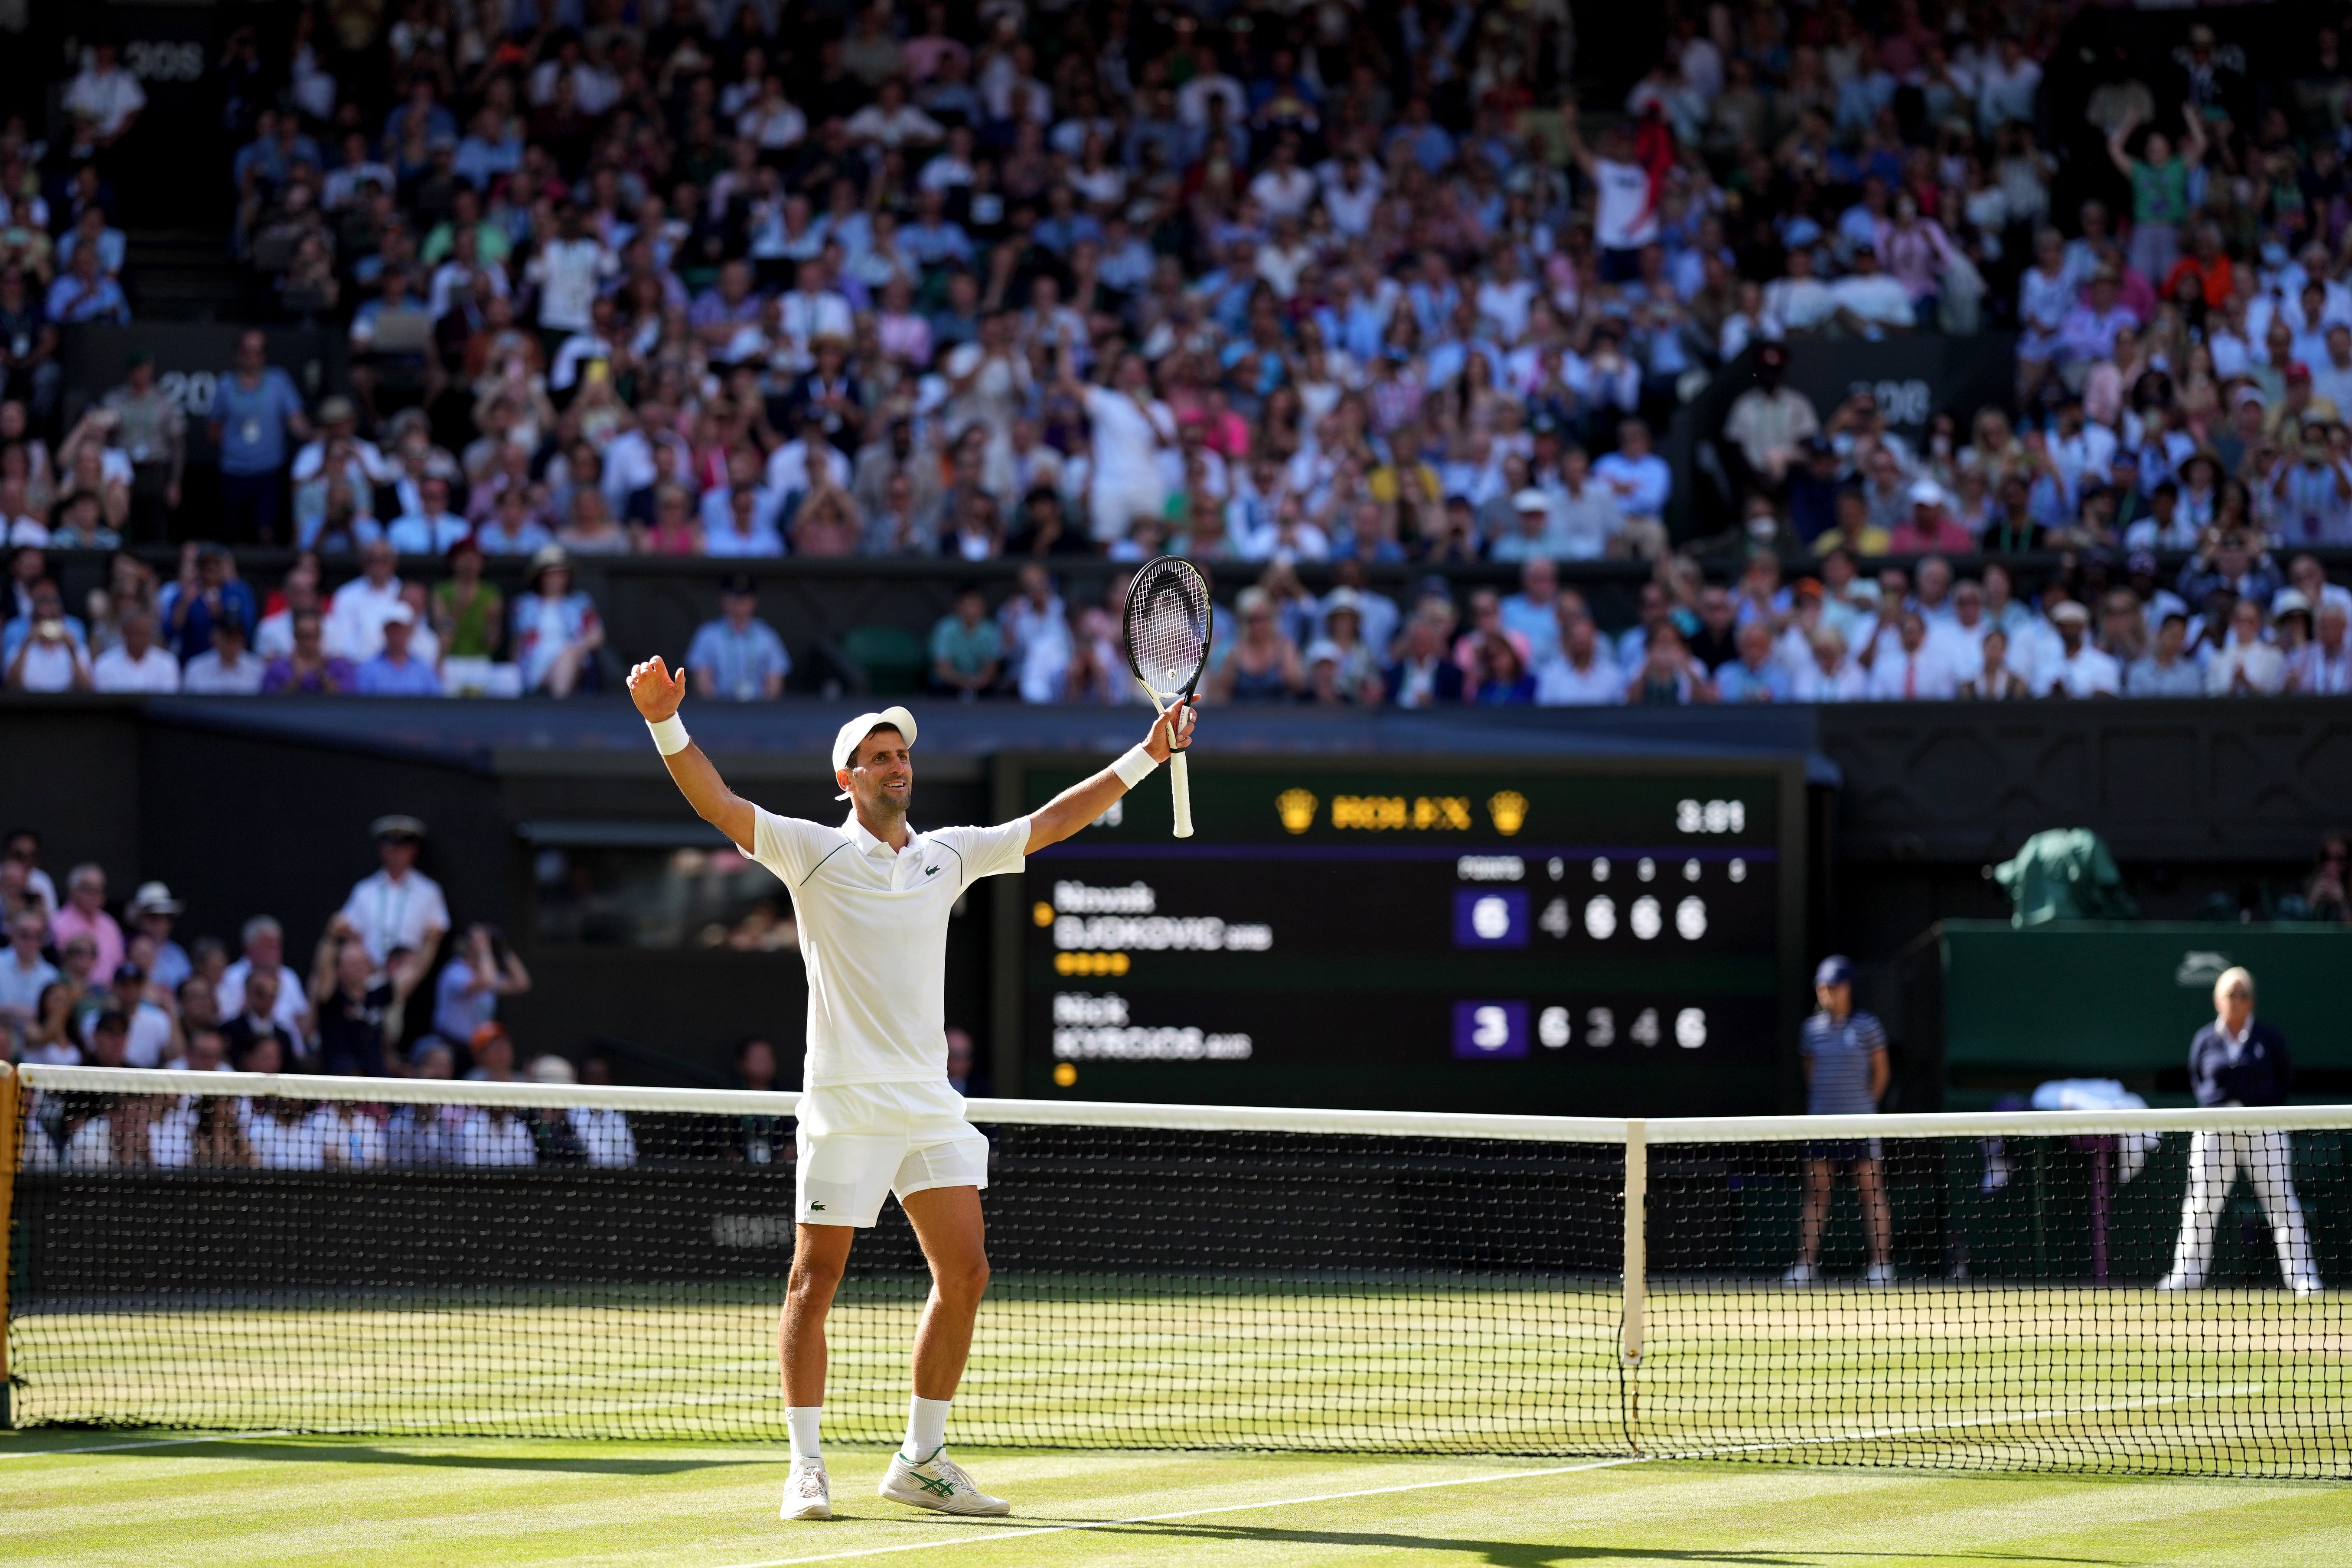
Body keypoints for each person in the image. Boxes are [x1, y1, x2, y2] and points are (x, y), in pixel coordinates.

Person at [623, 659, 1198, 1523]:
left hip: (927, 1101)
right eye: (878, 755)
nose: (897, 765)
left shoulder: (948, 854)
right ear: (846, 777)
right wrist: (666, 721)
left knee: (965, 1270)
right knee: (813, 1282)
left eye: (902, 753)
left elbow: (1047, 823)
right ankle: (807, 1466)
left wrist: (1146, 756)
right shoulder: (810, 850)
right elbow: (717, 803)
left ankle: (920, 1458)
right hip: (846, 1100)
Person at [2156, 967, 2321, 1296]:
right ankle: (2185, 1275)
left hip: (2263, 1127)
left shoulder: (2268, 1037)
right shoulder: (2204, 1039)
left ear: (2251, 1000)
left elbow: (2284, 1076)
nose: (2237, 1000)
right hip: (2215, 1128)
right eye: (2231, 994)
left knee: (2280, 1201)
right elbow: (2198, 1079)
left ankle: (2303, 1277)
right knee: (2201, 1202)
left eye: (2243, 994)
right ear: (2218, 1000)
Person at [1787, 955, 1893, 1288]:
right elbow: (1810, 1073)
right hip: (1820, 1125)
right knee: (1816, 1194)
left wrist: (1862, 1107)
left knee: (1871, 1193)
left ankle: (1881, 1266)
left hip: (1861, 1125)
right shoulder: (1811, 1029)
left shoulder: (1867, 1026)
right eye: (1821, 985)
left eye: (1831, 985)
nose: (1825, 991)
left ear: (1847, 987)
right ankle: (1805, 1266)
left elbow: (1882, 1073)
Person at [339, 815, 449, 971]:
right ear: (382, 850)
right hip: (369, 978)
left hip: (412, 977)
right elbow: (350, 932)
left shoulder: (429, 891)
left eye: (403, 846)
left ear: (414, 850)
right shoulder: (364, 890)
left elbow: (436, 935)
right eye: (391, 846)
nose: (397, 853)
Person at [688, 572, 793, 701]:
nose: (738, 605)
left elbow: (775, 681)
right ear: (723, 600)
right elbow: (702, 681)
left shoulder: (767, 636)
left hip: (759, 712)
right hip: (718, 712)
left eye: (744, 600)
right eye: (732, 599)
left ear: (754, 601)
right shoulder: (708, 635)